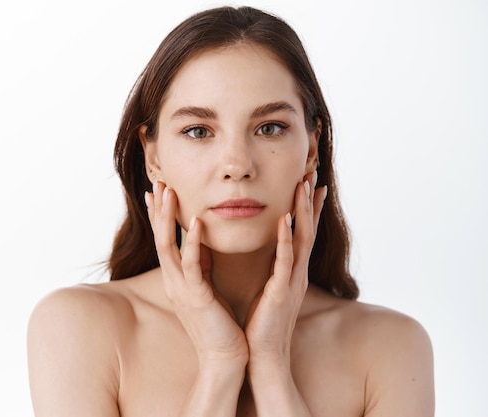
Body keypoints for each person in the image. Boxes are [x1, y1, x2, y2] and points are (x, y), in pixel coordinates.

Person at [27, 6, 434, 416]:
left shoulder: (391, 348)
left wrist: (272, 364)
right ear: (153, 157)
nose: (237, 165)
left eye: (270, 127)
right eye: (198, 131)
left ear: (311, 150)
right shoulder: (78, 329)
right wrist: (220, 364)